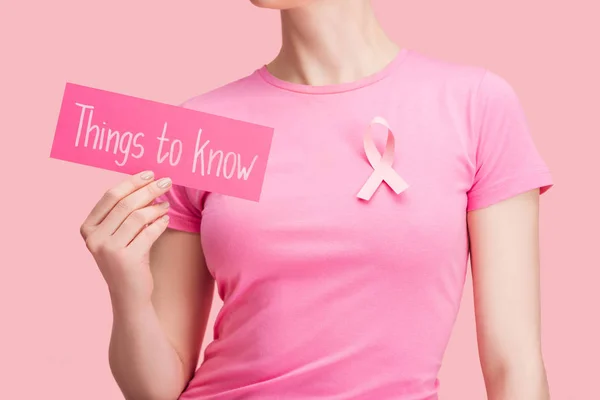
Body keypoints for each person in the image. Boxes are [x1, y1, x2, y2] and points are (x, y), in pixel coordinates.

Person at [79, 0, 554, 399]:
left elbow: (514, 364)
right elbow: (156, 390)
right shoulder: (202, 129)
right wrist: (127, 287)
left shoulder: (474, 104)